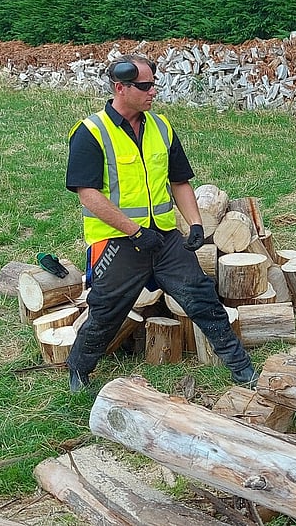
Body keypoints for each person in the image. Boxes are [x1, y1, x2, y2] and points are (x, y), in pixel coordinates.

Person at [65, 54, 258, 392]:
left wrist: (195, 224)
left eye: (154, 84)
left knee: (202, 297)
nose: (153, 91)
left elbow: (179, 181)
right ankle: (78, 371)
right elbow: (88, 195)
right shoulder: (91, 132)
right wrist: (135, 231)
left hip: (164, 239)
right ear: (120, 88)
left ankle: (242, 369)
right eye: (145, 86)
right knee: (106, 312)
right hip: (117, 241)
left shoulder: (161, 127)